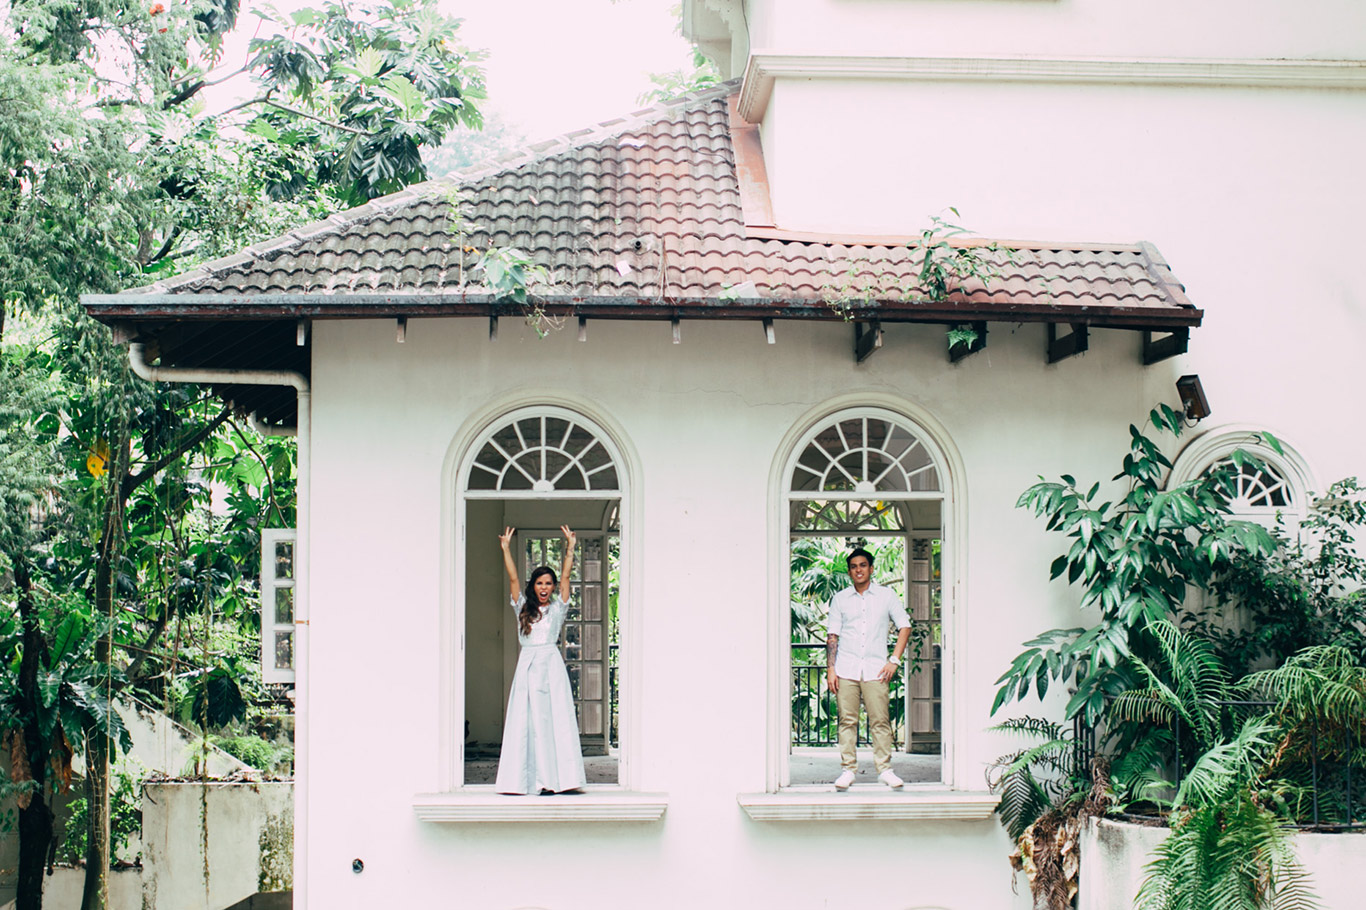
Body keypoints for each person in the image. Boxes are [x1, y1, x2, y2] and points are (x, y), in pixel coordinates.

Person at [494, 524, 587, 795]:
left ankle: (559, 778)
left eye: (548, 583)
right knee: (528, 721)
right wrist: (506, 549)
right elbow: (512, 580)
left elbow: (568, 574)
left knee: (553, 718)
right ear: (533, 586)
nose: (544, 587)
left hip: (551, 665)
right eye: (539, 583)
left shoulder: (558, 608)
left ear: (553, 586)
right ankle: (526, 779)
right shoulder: (523, 607)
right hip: (529, 666)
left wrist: (570, 548)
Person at [826, 547, 912, 790]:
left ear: (871, 569)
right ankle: (847, 770)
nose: (858, 570)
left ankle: (885, 770)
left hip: (876, 668)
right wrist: (831, 669)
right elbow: (833, 635)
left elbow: (904, 626)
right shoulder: (840, 599)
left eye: (863, 565)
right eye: (854, 567)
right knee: (847, 721)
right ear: (850, 571)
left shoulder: (886, 596)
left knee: (880, 721)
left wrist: (893, 660)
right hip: (846, 668)